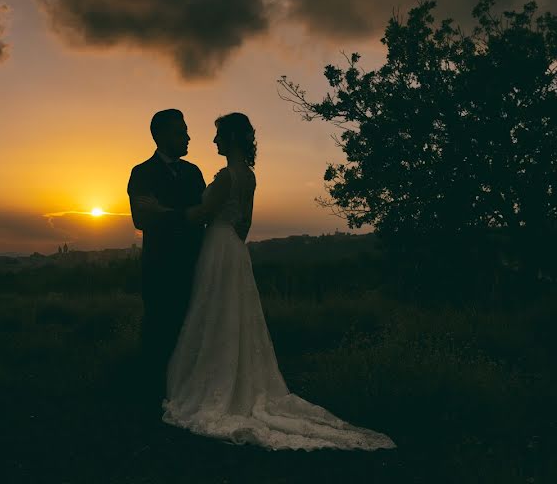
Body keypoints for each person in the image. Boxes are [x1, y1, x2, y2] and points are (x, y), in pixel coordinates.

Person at [140, 112, 396, 451]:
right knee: (231, 317)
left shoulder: (225, 177)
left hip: (216, 247)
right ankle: (229, 378)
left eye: (218, 136)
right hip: (233, 247)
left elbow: (201, 214)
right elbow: (244, 224)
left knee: (213, 315)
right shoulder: (248, 176)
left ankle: (206, 383)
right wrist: (230, 245)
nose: (211, 141)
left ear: (230, 139)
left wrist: (182, 220)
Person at [127, 109, 206, 402]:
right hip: (159, 268)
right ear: (160, 136)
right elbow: (142, 219)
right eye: (180, 131)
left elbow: (203, 216)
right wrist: (185, 216)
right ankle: (151, 397)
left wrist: (166, 213)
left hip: (194, 265)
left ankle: (189, 392)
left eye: (186, 130)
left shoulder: (194, 172)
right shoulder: (142, 173)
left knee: (192, 331)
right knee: (158, 333)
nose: (187, 137)